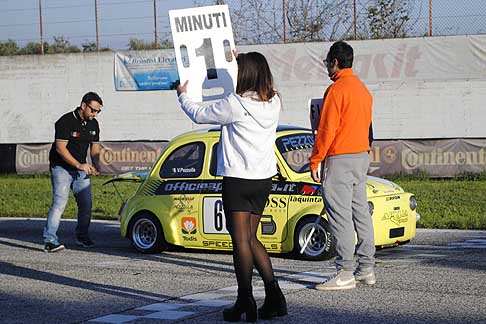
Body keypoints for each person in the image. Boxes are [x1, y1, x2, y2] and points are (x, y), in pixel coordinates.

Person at [176, 52, 287, 322]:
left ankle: (245, 301)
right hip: (263, 179)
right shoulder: (275, 102)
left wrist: (182, 95)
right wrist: (242, 58)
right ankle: (274, 297)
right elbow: (255, 78)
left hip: (237, 179)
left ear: (244, 74)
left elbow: (200, 114)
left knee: (240, 241)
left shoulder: (235, 104)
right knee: (251, 238)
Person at [309, 41, 375, 290]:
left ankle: (345, 272)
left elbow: (327, 130)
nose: (327, 65)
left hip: (340, 158)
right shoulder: (363, 89)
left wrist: (315, 160)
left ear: (335, 62)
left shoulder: (336, 90)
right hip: (361, 155)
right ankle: (367, 268)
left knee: (339, 215)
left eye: (328, 61)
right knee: (360, 212)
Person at [43, 92, 103, 253]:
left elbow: (95, 147)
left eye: (98, 111)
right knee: (59, 203)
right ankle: (50, 240)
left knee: (86, 205)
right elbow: (60, 148)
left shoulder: (93, 124)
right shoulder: (65, 121)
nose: (95, 114)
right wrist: (79, 164)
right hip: (61, 168)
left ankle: (82, 236)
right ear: (83, 105)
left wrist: (97, 165)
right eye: (93, 110)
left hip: (80, 170)